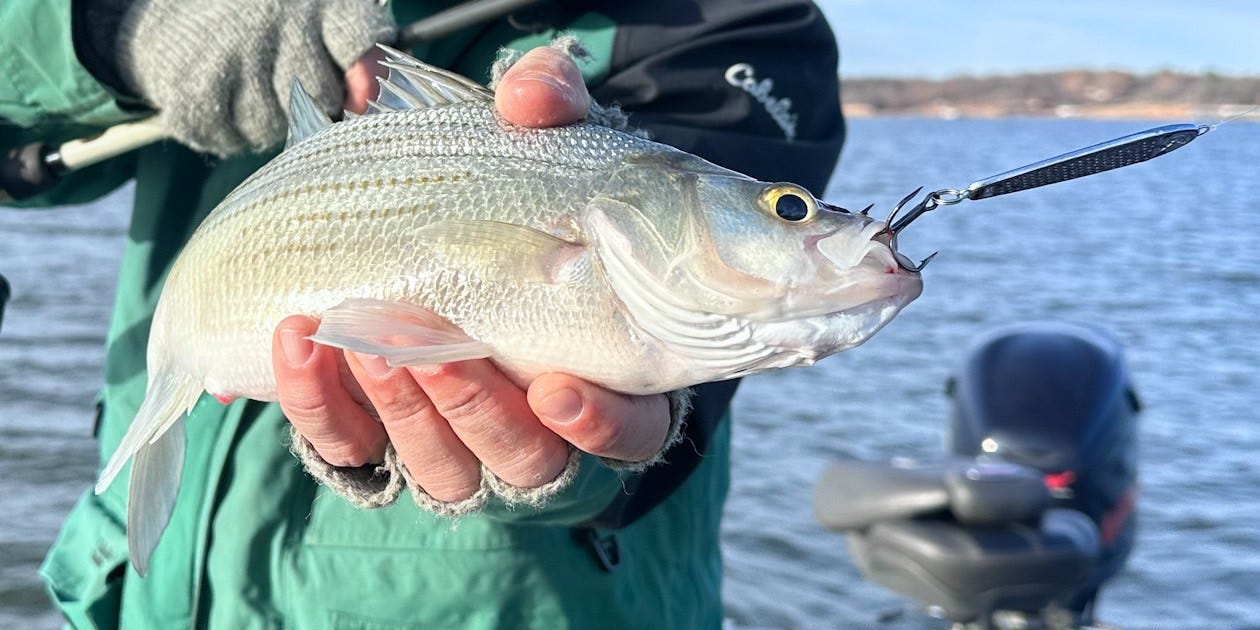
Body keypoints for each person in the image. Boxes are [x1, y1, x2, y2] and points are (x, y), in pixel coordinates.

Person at [2, 0, 844, 626]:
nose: (802, 226)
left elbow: (653, 405)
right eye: (789, 212)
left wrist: (580, 462)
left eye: (786, 211)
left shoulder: (739, 24)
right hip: (139, 598)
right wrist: (105, 28)